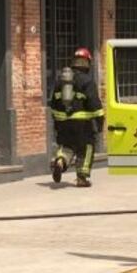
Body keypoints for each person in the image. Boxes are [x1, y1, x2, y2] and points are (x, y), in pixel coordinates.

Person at [49, 47, 103, 188]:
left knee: (67, 146)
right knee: (87, 148)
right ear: (87, 63)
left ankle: (60, 161)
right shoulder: (87, 81)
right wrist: (100, 121)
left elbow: (53, 102)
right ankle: (82, 178)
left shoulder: (61, 80)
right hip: (83, 125)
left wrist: (57, 122)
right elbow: (94, 104)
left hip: (62, 123)